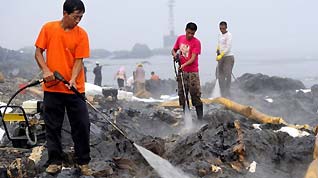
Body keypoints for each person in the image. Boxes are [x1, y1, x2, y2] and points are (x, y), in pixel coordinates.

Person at [34, 0, 91, 175]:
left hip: (75, 89)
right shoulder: (48, 28)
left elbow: (78, 60)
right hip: (52, 88)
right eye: (76, 16)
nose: (78, 20)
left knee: (82, 124)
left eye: (81, 17)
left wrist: (73, 79)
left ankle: (83, 162)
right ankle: (54, 161)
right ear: (65, 13)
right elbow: (38, 52)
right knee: (52, 126)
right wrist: (45, 70)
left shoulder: (81, 34)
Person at [171, 22, 203, 119]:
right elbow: (173, 50)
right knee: (183, 95)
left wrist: (183, 65)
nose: (190, 35)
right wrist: (175, 55)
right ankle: (187, 119)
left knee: (195, 95)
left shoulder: (197, 43)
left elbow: (193, 58)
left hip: (192, 73)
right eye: (188, 32)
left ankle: (200, 120)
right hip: (182, 73)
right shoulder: (180, 38)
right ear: (185, 30)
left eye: (192, 34)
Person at [216, 21, 234, 97]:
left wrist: (222, 54)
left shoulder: (229, 35)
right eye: (220, 28)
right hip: (221, 57)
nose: (222, 30)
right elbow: (219, 44)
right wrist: (217, 50)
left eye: (223, 28)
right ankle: (222, 92)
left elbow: (228, 47)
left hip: (228, 57)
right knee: (219, 73)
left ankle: (227, 91)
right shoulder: (220, 34)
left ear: (226, 27)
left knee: (227, 73)